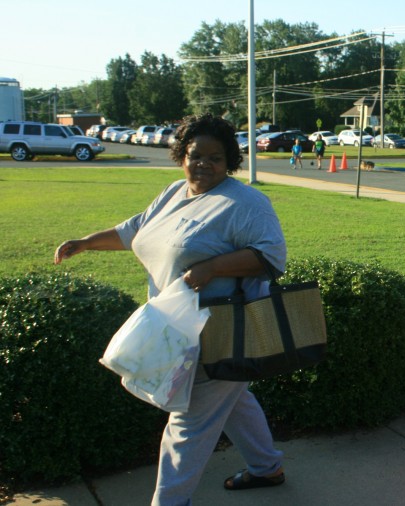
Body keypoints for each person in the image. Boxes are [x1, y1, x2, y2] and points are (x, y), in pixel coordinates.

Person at [54, 113, 287, 505]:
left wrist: (212, 267)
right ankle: (268, 468)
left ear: (229, 160)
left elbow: (271, 257)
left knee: (187, 422)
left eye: (215, 157)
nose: (204, 164)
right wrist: (84, 242)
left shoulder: (245, 202)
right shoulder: (174, 193)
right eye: (196, 155)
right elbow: (134, 231)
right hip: (176, 328)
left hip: (218, 331)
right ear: (182, 155)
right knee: (233, 399)